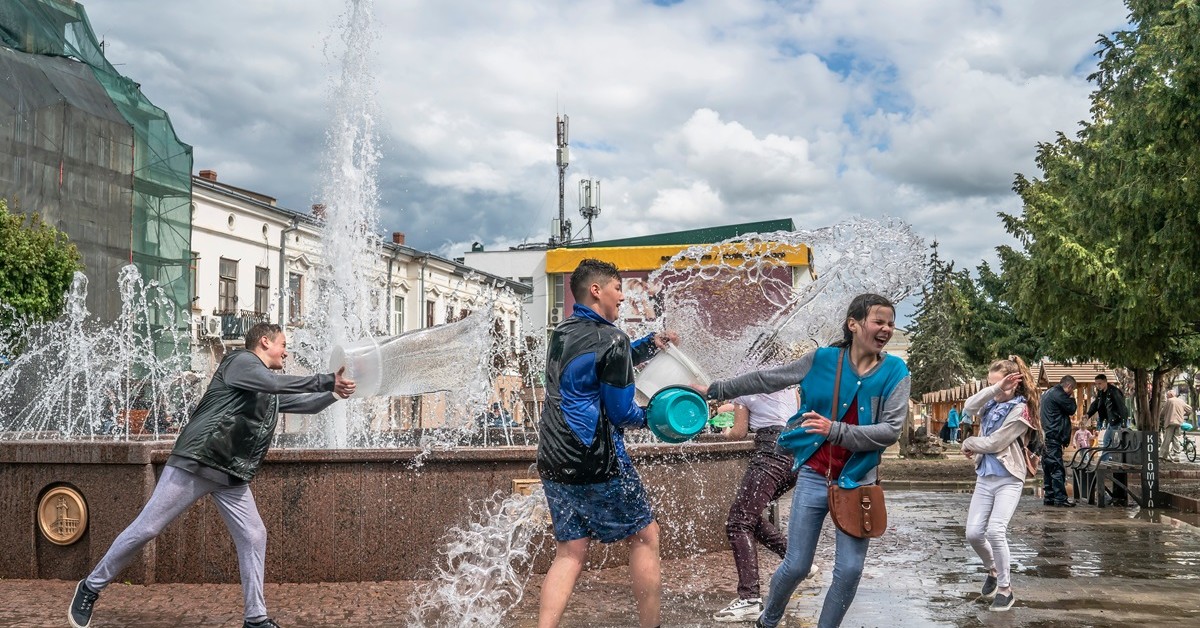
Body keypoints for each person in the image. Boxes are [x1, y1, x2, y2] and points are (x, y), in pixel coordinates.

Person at [69, 323, 356, 628]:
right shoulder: (241, 362)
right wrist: (325, 380)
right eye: (283, 344)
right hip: (198, 460)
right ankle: (90, 586)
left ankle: (255, 618)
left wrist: (334, 393)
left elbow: (304, 404)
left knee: (253, 536)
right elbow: (271, 383)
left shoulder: (265, 386)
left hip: (231, 473)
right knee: (148, 528)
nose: (287, 351)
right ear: (264, 342)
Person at [695, 293, 909, 628]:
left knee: (850, 570)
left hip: (858, 481)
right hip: (814, 475)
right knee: (795, 565)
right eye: (878, 322)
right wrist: (716, 388)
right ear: (854, 324)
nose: (886, 329)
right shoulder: (821, 360)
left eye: (890, 324)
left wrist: (833, 429)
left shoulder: (896, 371)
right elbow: (768, 379)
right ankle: (768, 620)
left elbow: (891, 430)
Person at [535, 258, 677, 628]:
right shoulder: (613, 338)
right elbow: (622, 413)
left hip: (553, 457)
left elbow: (595, 366)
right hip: (596, 460)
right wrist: (659, 418)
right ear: (596, 291)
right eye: (618, 289)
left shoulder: (562, 332)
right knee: (646, 535)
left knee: (570, 550)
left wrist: (649, 345)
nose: (622, 298)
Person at [712, 388, 803, 623]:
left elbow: (739, 432)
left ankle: (750, 599)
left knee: (738, 523)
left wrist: (725, 432)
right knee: (747, 517)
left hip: (771, 453)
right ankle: (799, 560)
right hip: (796, 456)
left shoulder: (745, 386)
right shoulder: (790, 387)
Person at [960, 356, 1041, 612]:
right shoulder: (991, 403)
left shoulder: (1021, 410)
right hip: (985, 477)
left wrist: (969, 443)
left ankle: (1006, 589)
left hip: (1009, 479)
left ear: (1014, 384)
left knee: (995, 530)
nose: (995, 390)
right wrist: (995, 389)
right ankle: (992, 570)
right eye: (991, 384)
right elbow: (968, 408)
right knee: (973, 533)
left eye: (1001, 385)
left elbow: (996, 442)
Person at [1039, 375, 1078, 507]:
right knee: (1056, 468)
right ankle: (1060, 499)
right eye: (1072, 390)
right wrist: (1072, 399)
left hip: (1046, 435)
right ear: (1069, 387)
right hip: (1054, 436)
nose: (1071, 394)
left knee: (1048, 467)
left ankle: (1049, 496)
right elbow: (1072, 409)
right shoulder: (1059, 395)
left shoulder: (1048, 393)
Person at [1086, 374, 1128, 450]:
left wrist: (1123, 423)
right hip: (1111, 421)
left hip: (1117, 421)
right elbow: (1096, 404)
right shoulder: (1101, 393)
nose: (1098, 386)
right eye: (1096, 384)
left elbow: (1122, 407)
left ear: (1105, 382)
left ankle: (1106, 460)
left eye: (1100, 383)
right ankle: (1107, 460)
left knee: (1108, 441)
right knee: (1109, 442)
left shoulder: (1114, 392)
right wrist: (1088, 414)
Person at [1159, 389, 1194, 462]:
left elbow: (1162, 412)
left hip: (1170, 422)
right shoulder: (1181, 401)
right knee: (1176, 438)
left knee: (1167, 439)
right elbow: (1189, 409)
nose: (1167, 397)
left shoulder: (1169, 401)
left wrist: (1161, 418)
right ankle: (1177, 455)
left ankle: (1162, 455)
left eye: (1167, 395)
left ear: (1170, 395)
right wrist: (1183, 414)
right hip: (1179, 422)